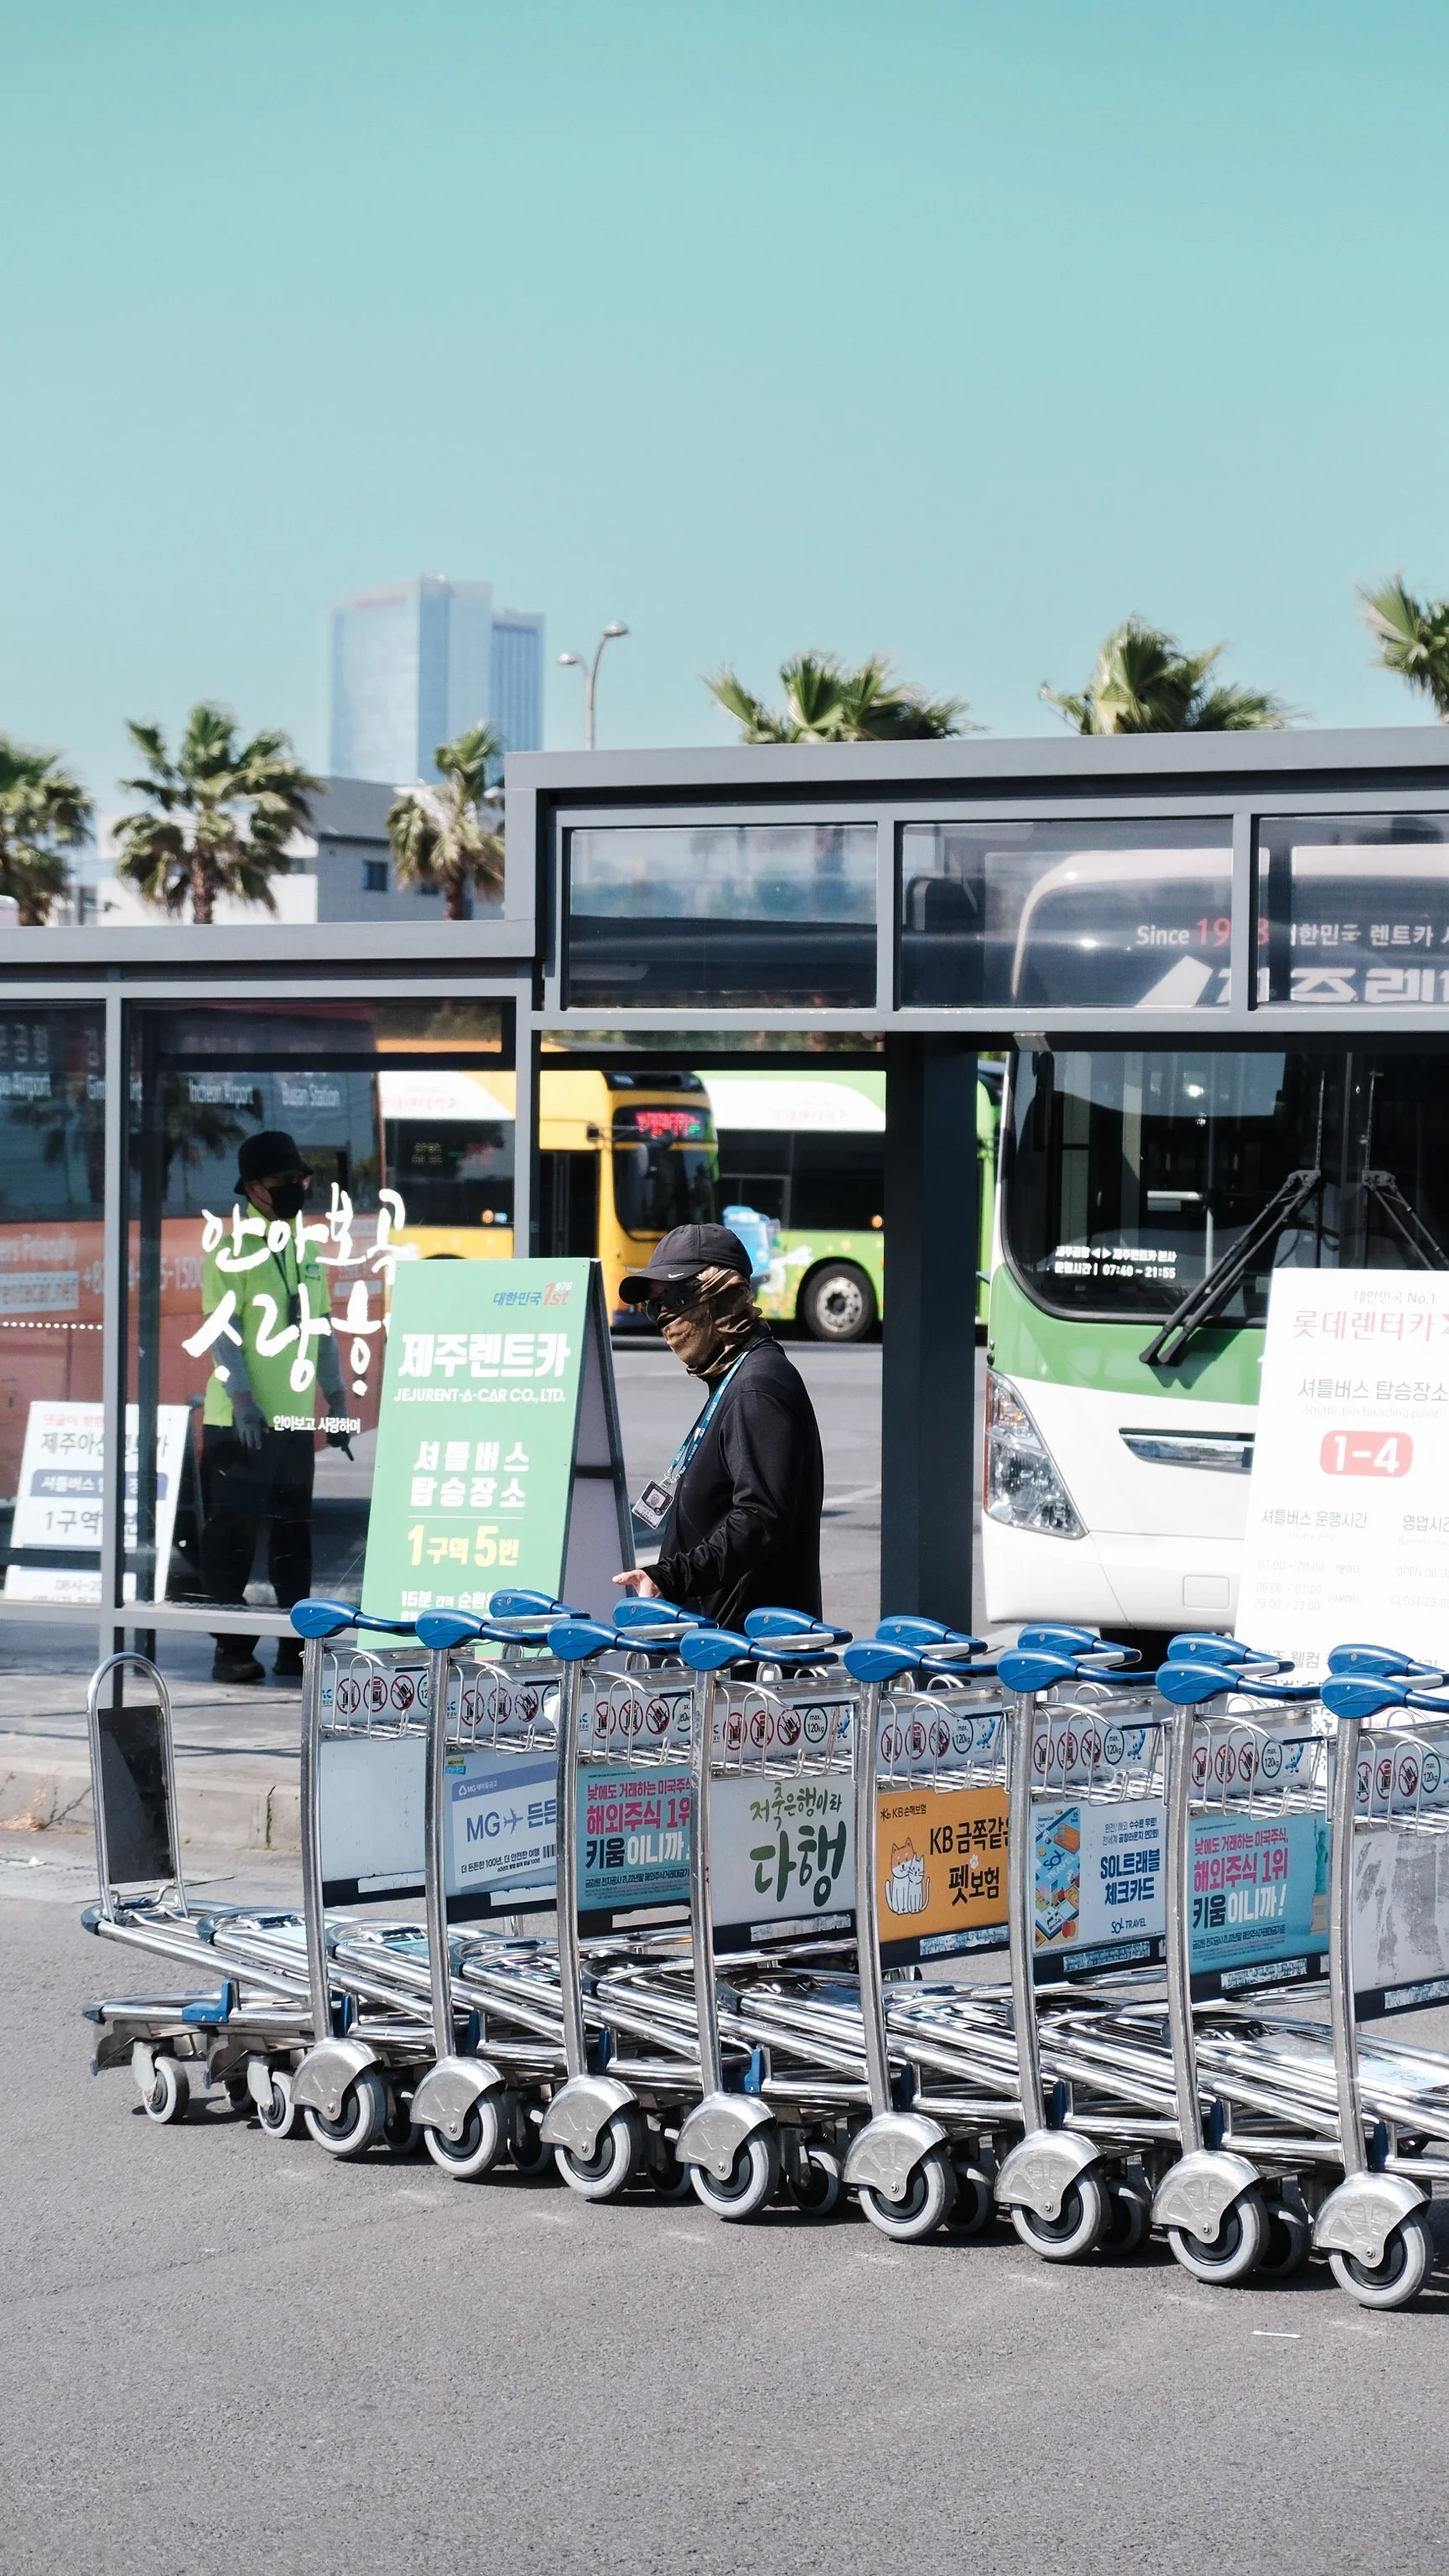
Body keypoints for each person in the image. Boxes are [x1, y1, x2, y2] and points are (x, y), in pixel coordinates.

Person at [198, 1130, 351, 1685]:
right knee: (232, 1541)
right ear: (254, 1187)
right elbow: (222, 1330)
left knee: (293, 1538)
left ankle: (295, 1647)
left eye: (300, 1180)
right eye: (285, 1180)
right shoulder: (230, 1250)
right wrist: (242, 1398)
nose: (296, 1188)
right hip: (239, 1424)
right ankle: (231, 1649)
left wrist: (336, 1395)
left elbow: (322, 1327)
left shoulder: (305, 1248)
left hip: (293, 1421)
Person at [613, 1222, 823, 1626]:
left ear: (722, 1294)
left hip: (746, 1645)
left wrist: (672, 1577)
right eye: (654, 1308)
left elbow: (761, 1517)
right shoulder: (736, 1380)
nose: (665, 1320)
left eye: (674, 1299)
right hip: (719, 1641)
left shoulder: (756, 1388)